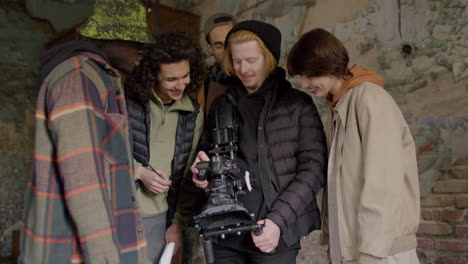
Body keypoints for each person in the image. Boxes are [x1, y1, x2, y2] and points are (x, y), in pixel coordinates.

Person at [18, 0, 154, 263]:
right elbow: (83, 177)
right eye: (134, 40)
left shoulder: (98, 77)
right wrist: (105, 257)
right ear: (106, 38)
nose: (142, 49)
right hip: (72, 252)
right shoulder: (79, 77)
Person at [191, 20, 327, 263]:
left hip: (274, 233)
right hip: (226, 233)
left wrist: (277, 221)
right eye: (237, 60)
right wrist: (201, 168)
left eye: (251, 60)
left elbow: (314, 170)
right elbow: (206, 152)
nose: (243, 68)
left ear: (269, 59)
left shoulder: (297, 105)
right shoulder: (222, 105)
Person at [287, 28, 420, 264]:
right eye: (301, 76)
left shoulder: (369, 99)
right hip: (355, 247)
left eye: (309, 75)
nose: (304, 83)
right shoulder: (339, 107)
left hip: (381, 251)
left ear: (327, 65)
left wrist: (370, 253)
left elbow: (384, 182)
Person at [124, 31, 207, 263]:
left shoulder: (193, 115)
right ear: (152, 76)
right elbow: (100, 153)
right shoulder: (126, 102)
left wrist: (178, 223)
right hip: (118, 212)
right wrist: (139, 172)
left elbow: (191, 177)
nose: (180, 85)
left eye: (186, 76)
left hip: (159, 218)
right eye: (171, 79)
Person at [202, 12, 237, 116]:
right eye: (219, 46)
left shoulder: (256, 80)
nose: (227, 51)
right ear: (210, 48)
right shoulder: (203, 83)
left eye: (231, 43)